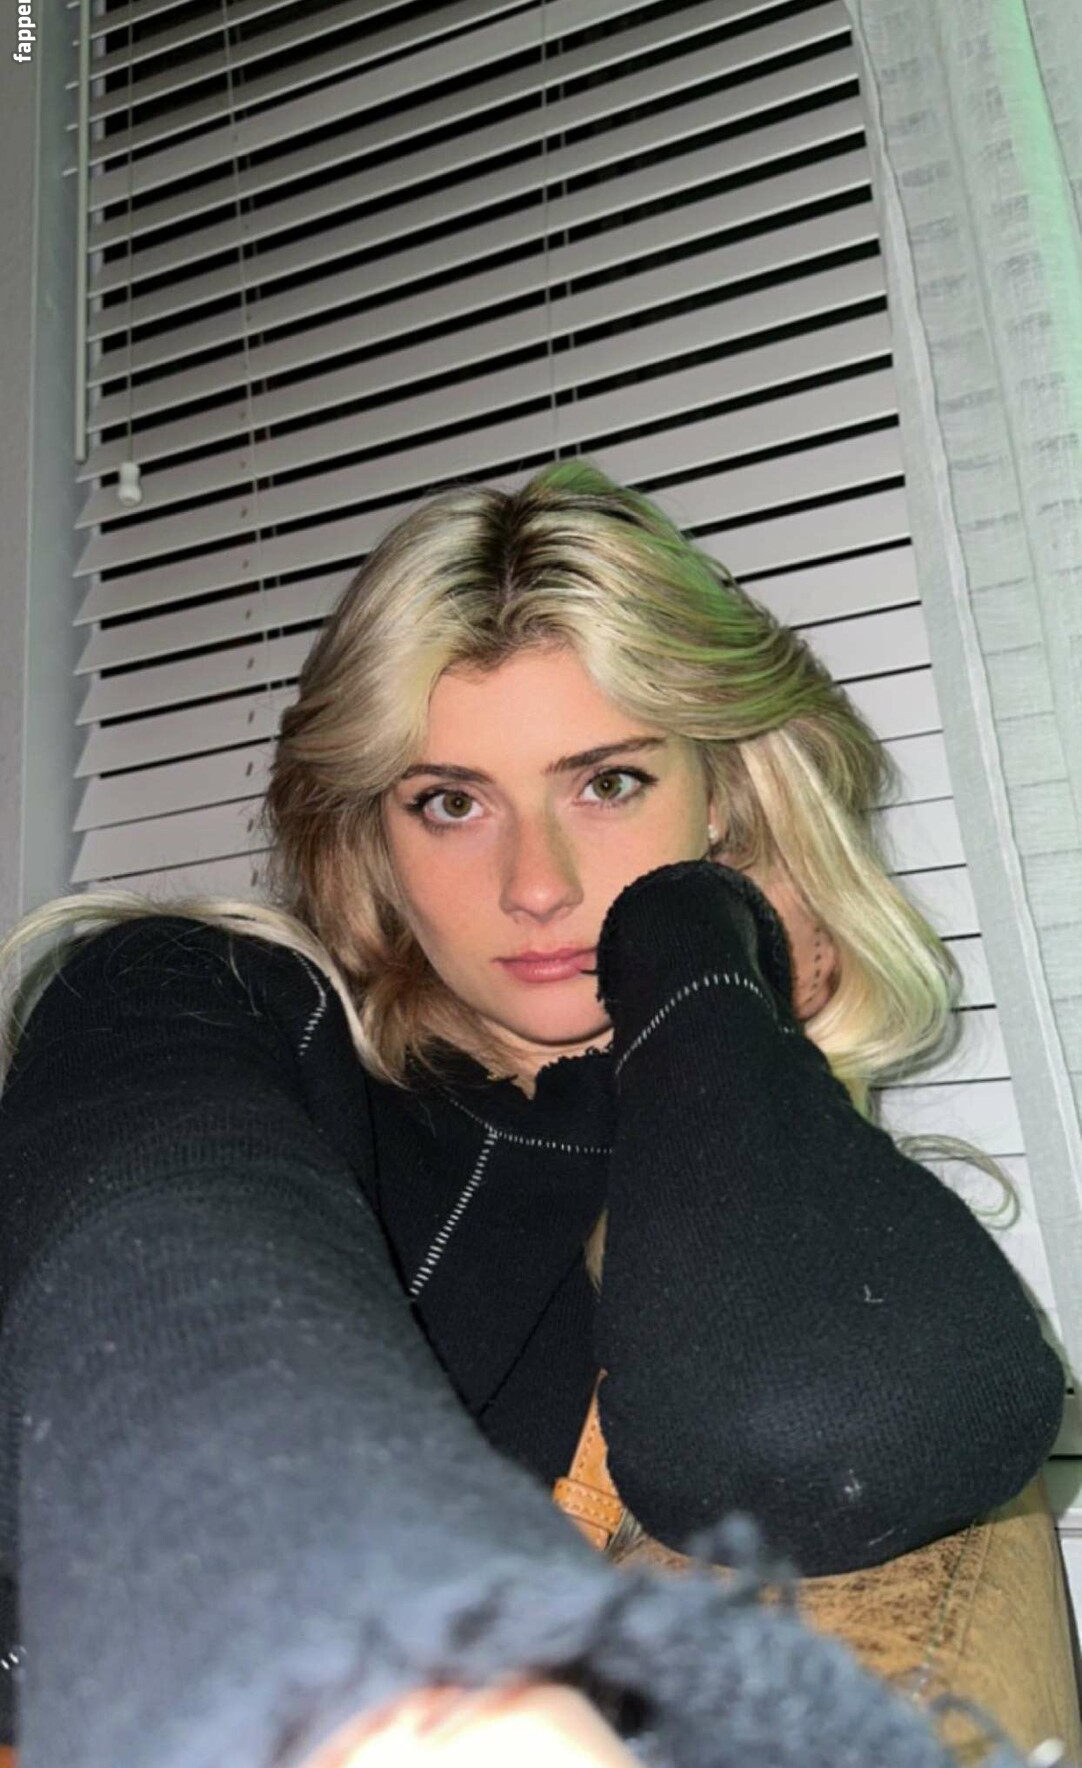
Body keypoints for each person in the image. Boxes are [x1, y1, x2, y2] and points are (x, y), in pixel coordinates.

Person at [0, 461, 1066, 1768]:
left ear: (724, 796)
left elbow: (834, 1441)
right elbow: (166, 1256)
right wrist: (384, 1677)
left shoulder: (730, 1154)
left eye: (607, 783)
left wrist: (694, 937)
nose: (536, 885)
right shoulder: (194, 996)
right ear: (373, 837)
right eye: (450, 802)